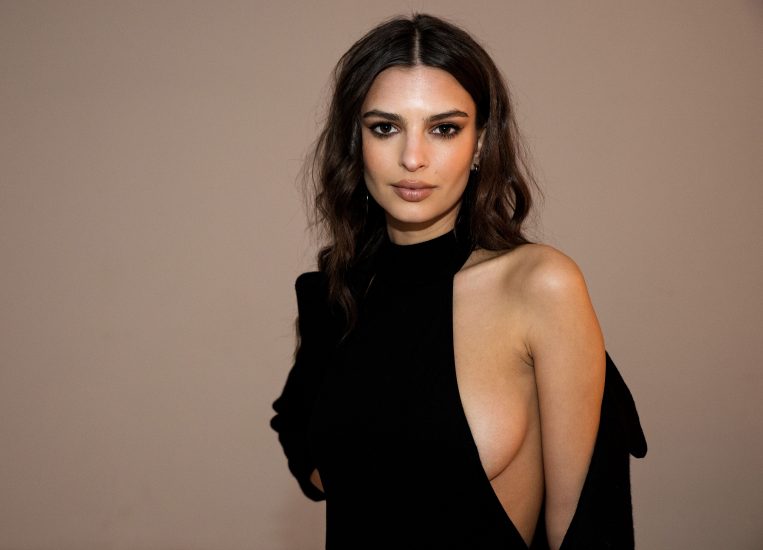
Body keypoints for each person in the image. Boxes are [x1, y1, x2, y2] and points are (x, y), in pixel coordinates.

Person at [270, 13, 646, 550]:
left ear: (480, 143)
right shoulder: (335, 292)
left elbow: (588, 532)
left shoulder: (540, 285)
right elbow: (297, 427)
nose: (413, 158)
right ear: (356, 142)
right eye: (385, 128)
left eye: (444, 128)